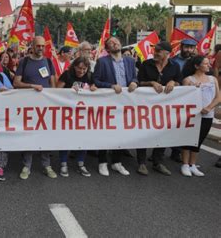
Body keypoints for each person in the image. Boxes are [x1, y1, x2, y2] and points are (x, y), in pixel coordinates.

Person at [14, 36, 58, 180]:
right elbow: (16, 83)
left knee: (45, 135)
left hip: (45, 107)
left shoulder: (48, 62)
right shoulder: (24, 62)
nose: (40, 49)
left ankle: (47, 165)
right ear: (32, 46)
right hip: (28, 107)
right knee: (28, 134)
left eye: (42, 46)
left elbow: (53, 85)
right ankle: (27, 165)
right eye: (38, 46)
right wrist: (32, 86)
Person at [93, 36, 138, 176]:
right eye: (111, 43)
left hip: (125, 103)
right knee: (106, 132)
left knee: (122, 133)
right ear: (107, 48)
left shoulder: (130, 61)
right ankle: (102, 162)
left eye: (116, 41)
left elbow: (135, 77)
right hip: (109, 103)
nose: (115, 43)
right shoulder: (102, 62)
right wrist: (111, 86)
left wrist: (134, 82)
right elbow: (96, 80)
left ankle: (116, 162)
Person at [137, 41, 182, 176]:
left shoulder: (175, 66)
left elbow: (180, 81)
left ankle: (158, 162)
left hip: (165, 108)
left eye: (158, 51)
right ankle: (142, 163)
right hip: (146, 106)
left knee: (162, 133)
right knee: (143, 133)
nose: (154, 53)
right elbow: (139, 82)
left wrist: (173, 82)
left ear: (167, 54)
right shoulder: (146, 64)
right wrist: (151, 82)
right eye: (155, 50)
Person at [57, 57, 96, 177]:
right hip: (67, 113)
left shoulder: (89, 76)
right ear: (74, 66)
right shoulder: (67, 75)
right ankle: (63, 164)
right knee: (65, 137)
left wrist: (93, 87)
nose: (82, 71)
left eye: (84, 69)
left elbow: (94, 86)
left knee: (83, 137)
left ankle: (81, 163)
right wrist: (69, 90)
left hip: (83, 113)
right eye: (79, 68)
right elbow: (56, 90)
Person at [180, 55, 219, 176]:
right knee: (189, 139)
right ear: (197, 66)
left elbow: (218, 97)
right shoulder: (188, 80)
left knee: (200, 139)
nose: (209, 65)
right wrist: (192, 89)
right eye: (205, 63)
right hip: (192, 115)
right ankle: (185, 164)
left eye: (208, 63)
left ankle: (193, 164)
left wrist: (209, 107)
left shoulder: (213, 79)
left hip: (208, 115)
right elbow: (183, 98)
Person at [170, 38, 197, 162]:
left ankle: (178, 151)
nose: (189, 50)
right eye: (186, 47)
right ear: (181, 47)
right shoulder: (173, 61)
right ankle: (159, 152)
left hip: (189, 99)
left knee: (183, 125)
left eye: (191, 48)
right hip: (173, 97)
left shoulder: (197, 61)